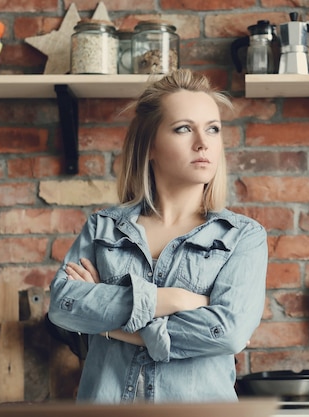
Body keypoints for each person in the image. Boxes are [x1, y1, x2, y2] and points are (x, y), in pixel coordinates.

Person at [48, 69, 268, 404]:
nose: (203, 142)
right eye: (183, 128)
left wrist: (108, 325)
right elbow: (64, 304)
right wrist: (176, 301)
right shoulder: (104, 227)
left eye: (213, 129)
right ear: (149, 145)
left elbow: (228, 332)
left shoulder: (243, 237)